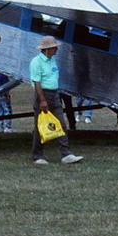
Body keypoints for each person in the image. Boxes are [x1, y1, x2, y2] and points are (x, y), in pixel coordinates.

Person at [29, 36, 83, 165]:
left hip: (54, 95)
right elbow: (37, 82)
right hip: (43, 95)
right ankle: (37, 155)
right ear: (47, 49)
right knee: (40, 127)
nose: (56, 50)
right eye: (54, 48)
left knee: (61, 124)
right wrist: (42, 100)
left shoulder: (52, 60)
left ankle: (66, 154)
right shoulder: (36, 62)